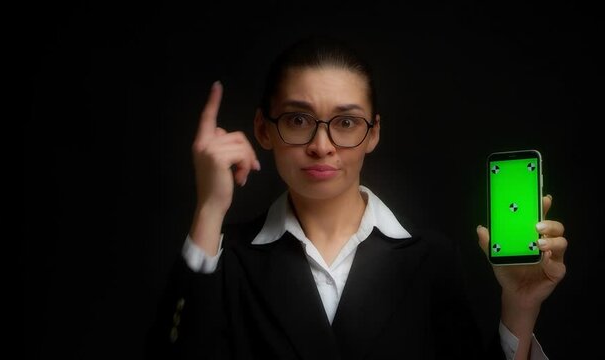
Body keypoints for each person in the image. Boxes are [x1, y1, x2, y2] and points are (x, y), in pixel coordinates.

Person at [146, 35, 568, 360]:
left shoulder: (431, 261)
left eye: (346, 122)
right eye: (298, 119)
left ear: (374, 133)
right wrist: (209, 209)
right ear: (263, 129)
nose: (322, 145)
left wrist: (520, 305)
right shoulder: (226, 258)